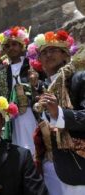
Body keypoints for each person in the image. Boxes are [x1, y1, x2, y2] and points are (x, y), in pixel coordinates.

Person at [27, 29, 85, 194]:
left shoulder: (80, 78)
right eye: (43, 52)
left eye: (53, 50)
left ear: (65, 55)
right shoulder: (46, 88)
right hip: (65, 169)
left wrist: (58, 113)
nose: (48, 54)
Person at [0, 26, 38, 155]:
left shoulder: (31, 64)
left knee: (35, 147)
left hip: (31, 112)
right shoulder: (0, 72)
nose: (11, 48)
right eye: (7, 46)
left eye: (14, 44)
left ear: (21, 46)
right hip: (11, 117)